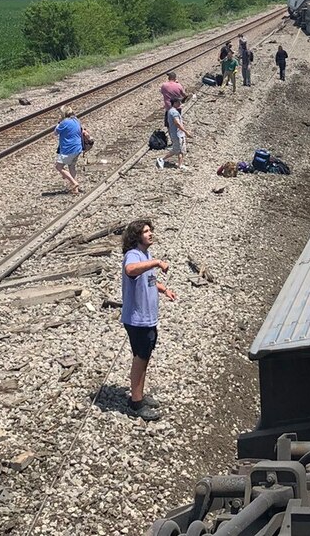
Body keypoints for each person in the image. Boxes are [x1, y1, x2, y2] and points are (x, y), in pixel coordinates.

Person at [120, 219, 177, 422]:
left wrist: (164, 290)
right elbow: (131, 270)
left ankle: (140, 395)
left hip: (148, 318)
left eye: (150, 230)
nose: (150, 233)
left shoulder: (146, 254)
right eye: (145, 231)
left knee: (144, 358)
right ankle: (135, 403)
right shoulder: (133, 255)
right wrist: (155, 262)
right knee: (140, 358)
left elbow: (149, 279)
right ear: (137, 236)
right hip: (137, 319)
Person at [53, 105, 85, 194]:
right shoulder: (76, 120)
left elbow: (55, 133)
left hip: (68, 149)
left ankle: (74, 182)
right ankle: (75, 189)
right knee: (71, 166)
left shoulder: (64, 123)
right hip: (78, 148)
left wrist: (59, 122)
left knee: (58, 167)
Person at [156, 97, 192, 170]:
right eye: (178, 102)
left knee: (180, 150)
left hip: (176, 134)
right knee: (177, 149)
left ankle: (180, 164)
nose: (180, 103)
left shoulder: (170, 111)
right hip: (177, 134)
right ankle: (162, 159)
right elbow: (177, 124)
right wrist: (186, 132)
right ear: (175, 103)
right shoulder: (174, 112)